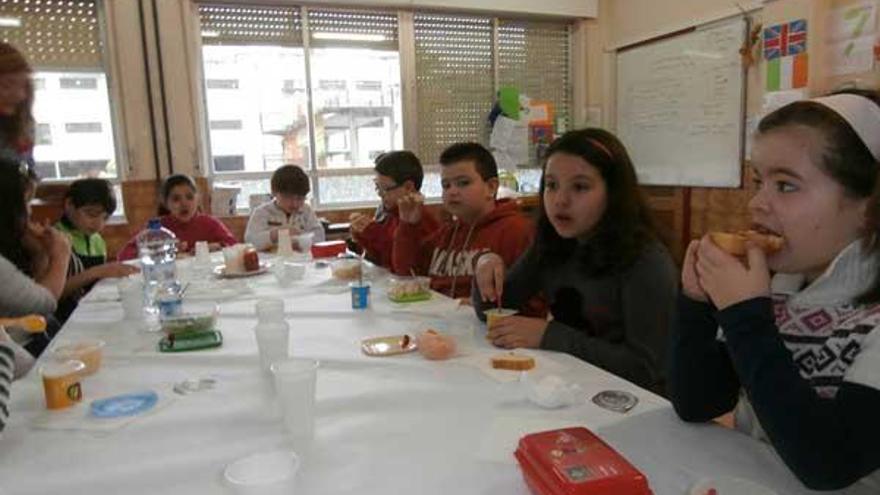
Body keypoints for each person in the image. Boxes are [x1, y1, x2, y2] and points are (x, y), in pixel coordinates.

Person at [669, 90, 880, 489]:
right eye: (757, 182)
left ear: (867, 206)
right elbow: (700, 403)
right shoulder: (778, 282)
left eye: (785, 186)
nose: (756, 205)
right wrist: (696, 303)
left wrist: (747, 319)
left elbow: (829, 463)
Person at [472, 129, 676, 393]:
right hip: (572, 389)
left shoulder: (646, 261)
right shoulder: (553, 244)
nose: (560, 200)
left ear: (613, 193)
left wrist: (549, 335)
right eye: (552, 185)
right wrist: (484, 262)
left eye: (580, 187)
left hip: (635, 407)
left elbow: (648, 371)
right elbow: (492, 309)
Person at [392, 142, 533, 299]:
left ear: (491, 187)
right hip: (438, 318)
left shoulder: (516, 231)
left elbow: (531, 301)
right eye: (446, 185)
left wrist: (475, 305)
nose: (452, 191)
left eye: (463, 183)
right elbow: (407, 274)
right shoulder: (448, 232)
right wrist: (408, 225)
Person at [0, 156, 69, 357]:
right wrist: (60, 255)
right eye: (26, 202)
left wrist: (40, 254)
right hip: (18, 348)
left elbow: (32, 297)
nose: (30, 211)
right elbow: (44, 303)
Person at [54, 178, 138, 322]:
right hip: (64, 319)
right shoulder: (55, 238)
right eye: (91, 214)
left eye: (105, 218)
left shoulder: (97, 240)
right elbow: (53, 294)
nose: (98, 224)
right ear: (69, 205)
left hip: (92, 312)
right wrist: (96, 272)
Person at [350, 151, 440, 268]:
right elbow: (379, 260)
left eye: (385, 189)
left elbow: (403, 265)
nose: (380, 194)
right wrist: (362, 235)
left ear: (408, 187)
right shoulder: (390, 214)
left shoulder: (421, 220)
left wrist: (373, 233)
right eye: (377, 187)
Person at [118, 174, 237, 260]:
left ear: (197, 199)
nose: (184, 204)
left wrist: (214, 246)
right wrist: (161, 250)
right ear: (165, 203)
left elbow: (235, 246)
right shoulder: (157, 227)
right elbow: (124, 255)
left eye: (189, 197)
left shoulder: (210, 223)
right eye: (176, 199)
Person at [244, 164, 324, 251]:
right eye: (288, 197)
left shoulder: (306, 211)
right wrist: (275, 234)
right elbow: (250, 242)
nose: (294, 204)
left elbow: (320, 237)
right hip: (271, 261)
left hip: (302, 260)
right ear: (274, 193)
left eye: (300, 198)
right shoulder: (262, 212)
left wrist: (300, 241)